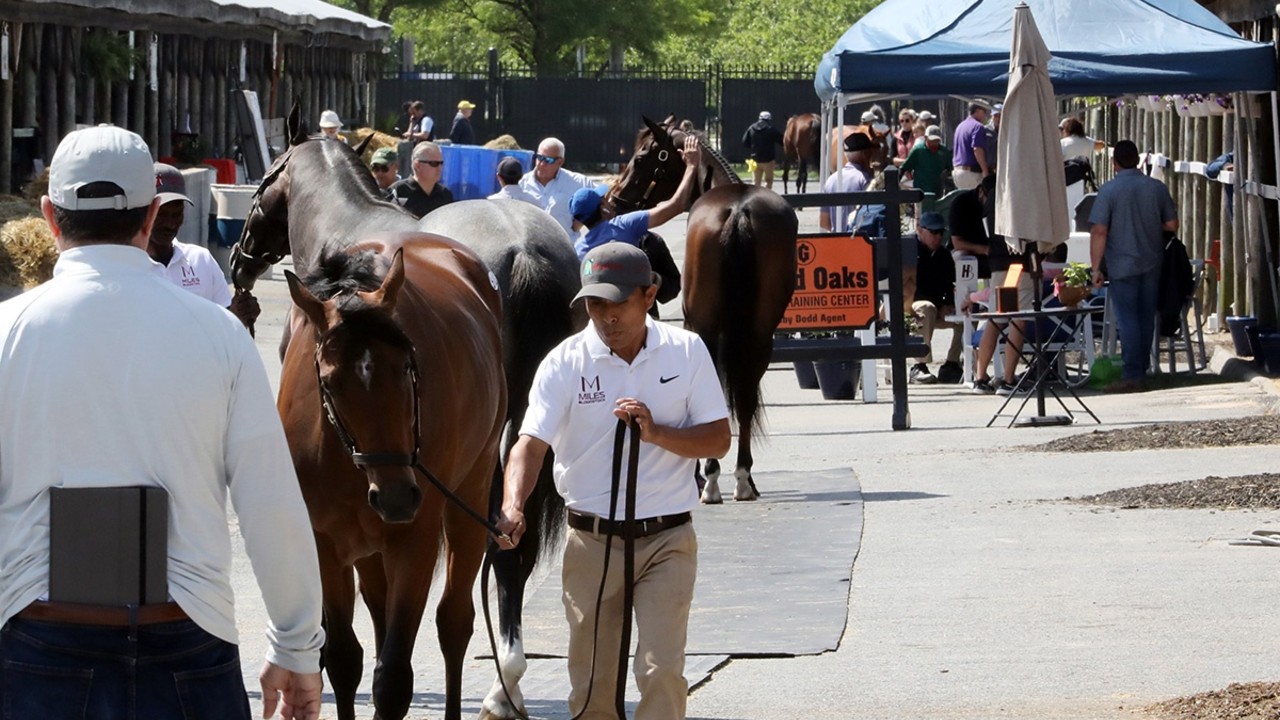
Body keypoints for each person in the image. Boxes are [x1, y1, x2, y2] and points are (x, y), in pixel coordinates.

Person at [0, 125, 324, 719]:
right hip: (187, 637)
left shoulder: (6, 334)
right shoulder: (219, 334)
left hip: (37, 638)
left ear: (49, 216)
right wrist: (297, 646)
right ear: (151, 216)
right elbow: (271, 503)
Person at [494, 241, 730, 720]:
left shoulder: (687, 351)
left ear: (649, 295)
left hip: (668, 539)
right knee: (592, 684)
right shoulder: (564, 361)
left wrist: (658, 432)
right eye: (594, 304)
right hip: (591, 541)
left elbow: (718, 440)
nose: (605, 316)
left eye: (617, 301)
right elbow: (529, 445)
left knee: (661, 670)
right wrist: (514, 504)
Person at [1089, 139, 1179, 393]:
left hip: (1121, 262)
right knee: (1145, 315)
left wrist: (1096, 268)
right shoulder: (1156, 188)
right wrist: (1150, 226)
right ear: (1138, 160)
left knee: (1127, 317)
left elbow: (1099, 230)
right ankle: (1142, 367)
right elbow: (1172, 225)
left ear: (1113, 162)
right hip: (1152, 259)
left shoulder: (1109, 191)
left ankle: (1133, 373)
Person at [147, 163, 260, 328]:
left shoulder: (201, 259)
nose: (170, 224)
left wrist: (240, 314)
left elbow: (226, 321)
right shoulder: (126, 268)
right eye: (161, 214)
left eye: (177, 214)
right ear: (143, 211)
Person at [950, 174, 1027, 394]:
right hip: (1016, 265)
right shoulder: (1012, 196)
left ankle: (981, 377)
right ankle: (1008, 379)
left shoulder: (990, 203)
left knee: (995, 317)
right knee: (1018, 319)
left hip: (998, 264)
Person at [569, 136, 700, 261]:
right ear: (603, 207)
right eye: (605, 200)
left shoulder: (579, 250)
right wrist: (691, 166)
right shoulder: (624, 224)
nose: (610, 202)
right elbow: (677, 206)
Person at [909, 212, 963, 384]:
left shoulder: (944, 255)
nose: (938, 237)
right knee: (927, 308)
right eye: (933, 232)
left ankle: (952, 364)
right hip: (910, 305)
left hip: (937, 307)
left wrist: (948, 303)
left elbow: (949, 284)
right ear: (920, 230)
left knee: (967, 315)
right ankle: (919, 366)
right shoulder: (908, 250)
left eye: (941, 232)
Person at [519, 137, 595, 236]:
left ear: (560, 162)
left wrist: (581, 220)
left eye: (548, 160)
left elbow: (601, 198)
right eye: (540, 157)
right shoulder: (522, 184)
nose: (542, 164)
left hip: (565, 247)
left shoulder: (577, 182)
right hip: (532, 247)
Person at [819, 132, 875, 231]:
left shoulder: (831, 180)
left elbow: (824, 222)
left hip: (836, 241)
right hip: (859, 240)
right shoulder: (866, 180)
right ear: (865, 154)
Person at [386, 141, 453, 219]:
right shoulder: (397, 192)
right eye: (434, 164)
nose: (439, 168)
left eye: (441, 163)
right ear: (417, 166)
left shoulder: (445, 195)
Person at [900, 125, 949, 200]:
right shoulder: (918, 150)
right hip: (920, 192)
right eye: (932, 140)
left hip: (937, 192)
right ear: (925, 138)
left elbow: (949, 168)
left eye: (937, 140)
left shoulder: (944, 151)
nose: (934, 143)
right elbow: (904, 167)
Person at [952, 103, 991, 190]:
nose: (986, 115)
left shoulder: (960, 126)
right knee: (976, 202)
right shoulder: (978, 127)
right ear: (977, 111)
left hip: (957, 172)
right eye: (984, 112)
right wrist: (985, 171)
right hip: (971, 173)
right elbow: (977, 149)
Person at [742, 111, 784, 189]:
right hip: (768, 160)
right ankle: (766, 198)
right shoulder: (771, 130)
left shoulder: (751, 128)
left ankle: (756, 199)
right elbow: (782, 141)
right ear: (768, 119)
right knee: (768, 181)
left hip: (755, 160)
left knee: (756, 182)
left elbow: (745, 142)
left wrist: (753, 148)